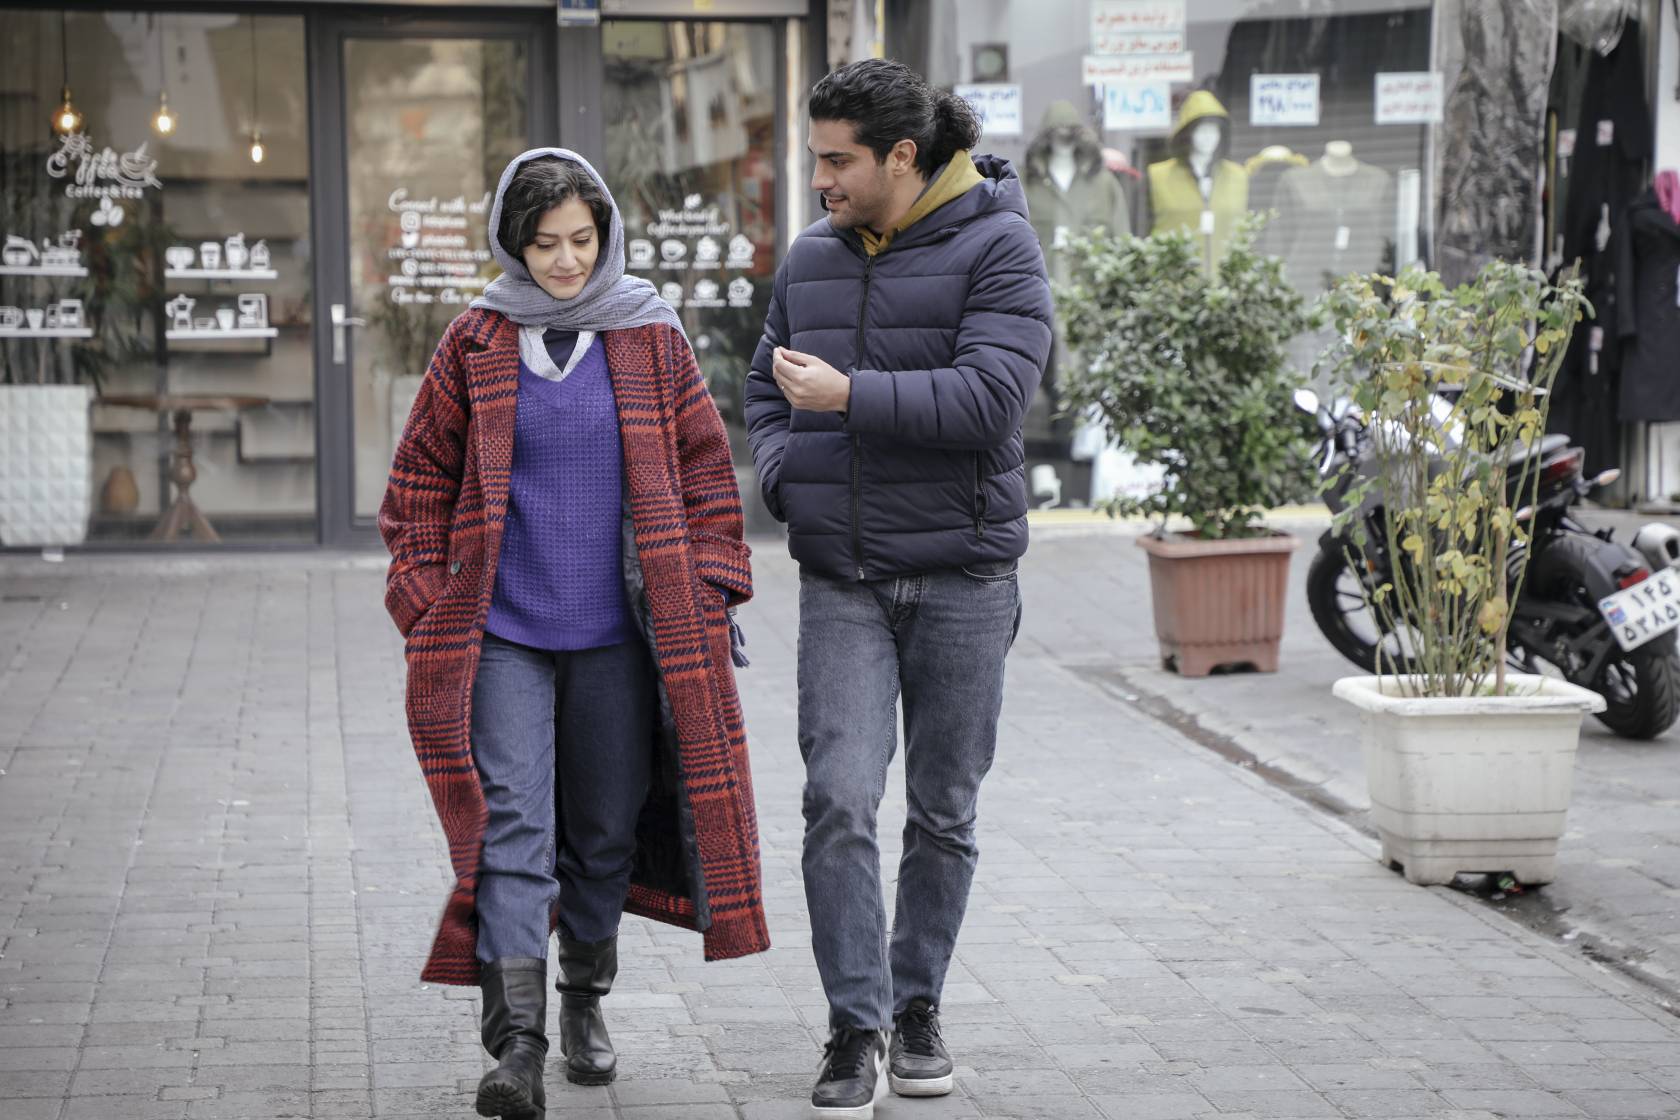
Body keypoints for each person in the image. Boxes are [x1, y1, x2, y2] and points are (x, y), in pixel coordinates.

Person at [380, 148, 769, 1120]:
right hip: (503, 634)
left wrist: (709, 589)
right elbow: (417, 480)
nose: (564, 260)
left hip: (622, 640)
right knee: (513, 825)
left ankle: (585, 995)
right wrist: (425, 599)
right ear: (513, 244)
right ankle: (517, 1045)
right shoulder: (475, 340)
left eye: (581, 240)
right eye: (544, 243)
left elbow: (707, 473)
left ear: (606, 236)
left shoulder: (650, 337)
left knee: (601, 832)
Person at [744, 60, 1053, 1119]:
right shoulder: (811, 258)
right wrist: (786, 472)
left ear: (902, 157)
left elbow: (992, 400)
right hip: (845, 578)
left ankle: (917, 1006)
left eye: (838, 161)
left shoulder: (999, 244)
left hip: (966, 575)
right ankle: (854, 1022)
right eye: (817, 157)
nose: (819, 179)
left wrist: (849, 397)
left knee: (943, 809)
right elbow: (763, 385)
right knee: (837, 798)